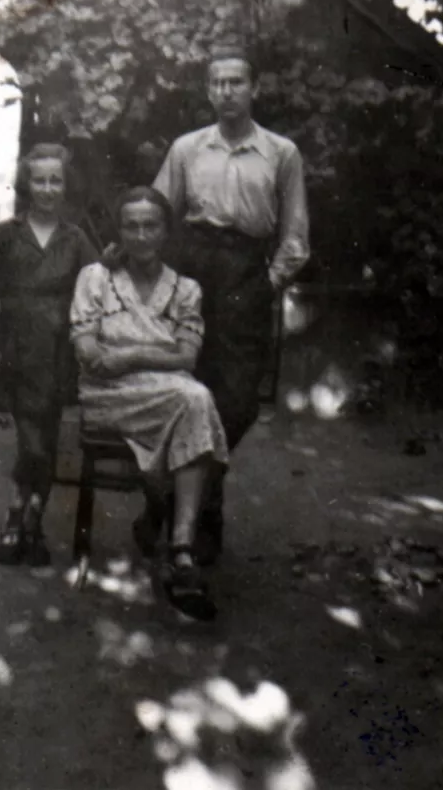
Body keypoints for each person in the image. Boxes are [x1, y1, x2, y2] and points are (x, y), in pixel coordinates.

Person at [152, 43, 310, 563]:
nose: (226, 92)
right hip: (192, 270)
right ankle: (198, 517)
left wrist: (266, 285)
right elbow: (156, 216)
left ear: (254, 88)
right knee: (184, 390)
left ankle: (184, 497)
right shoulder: (186, 149)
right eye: (217, 83)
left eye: (236, 82)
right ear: (207, 89)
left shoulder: (281, 153)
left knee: (237, 401)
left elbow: (294, 237)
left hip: (246, 274)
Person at [70, 186, 228, 621]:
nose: (141, 235)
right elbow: (87, 349)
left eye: (150, 226)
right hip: (110, 396)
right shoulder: (95, 279)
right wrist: (127, 359)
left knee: (192, 398)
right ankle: (179, 547)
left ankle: (177, 546)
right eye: (131, 226)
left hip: (168, 394)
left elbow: (187, 357)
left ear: (165, 232)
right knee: (195, 400)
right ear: (119, 231)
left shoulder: (186, 290)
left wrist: (130, 354)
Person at [0, 143, 97, 567]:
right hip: (17, 348)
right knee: (34, 441)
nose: (47, 188)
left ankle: (27, 519)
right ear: (27, 184)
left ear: (65, 185)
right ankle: (21, 517)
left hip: (60, 350)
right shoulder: (7, 234)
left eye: (55, 180)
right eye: (40, 180)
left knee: (43, 437)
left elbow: (94, 291)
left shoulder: (76, 238)